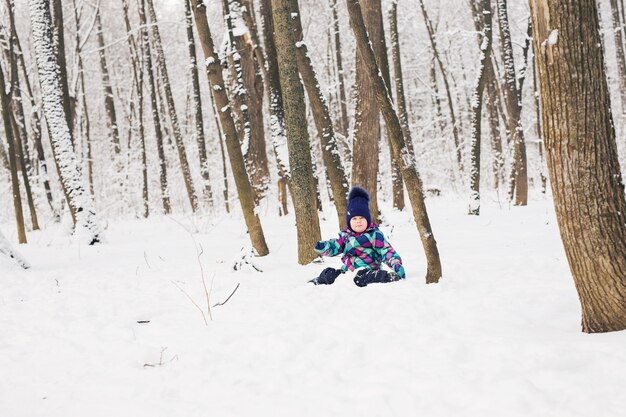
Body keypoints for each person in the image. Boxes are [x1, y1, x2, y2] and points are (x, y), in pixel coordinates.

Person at [310, 186, 406, 287]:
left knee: (362, 277)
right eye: (354, 218)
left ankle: (388, 277)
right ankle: (319, 281)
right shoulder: (346, 236)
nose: (358, 221)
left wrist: (396, 265)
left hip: (368, 270)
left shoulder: (374, 235)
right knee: (329, 273)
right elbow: (336, 246)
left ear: (367, 220)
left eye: (361, 218)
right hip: (348, 271)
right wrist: (324, 247)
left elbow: (386, 251)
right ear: (349, 221)